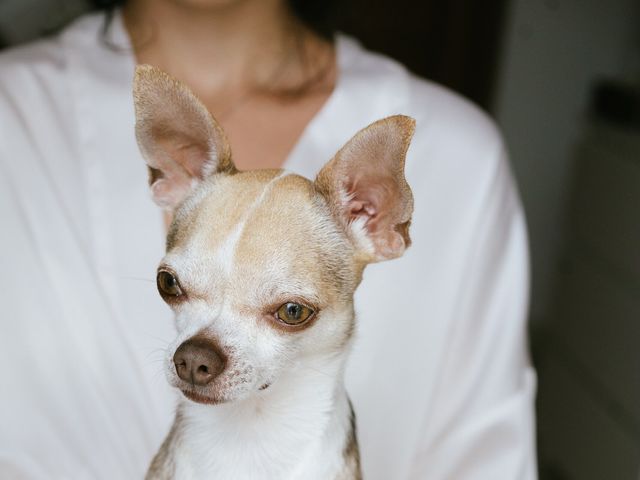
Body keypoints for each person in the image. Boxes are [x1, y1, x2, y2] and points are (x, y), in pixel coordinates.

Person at [0, 0, 537, 478]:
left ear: (378, 218)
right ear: (171, 171)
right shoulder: (15, 110)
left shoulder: (463, 154)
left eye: (289, 311)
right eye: (175, 287)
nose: (197, 356)